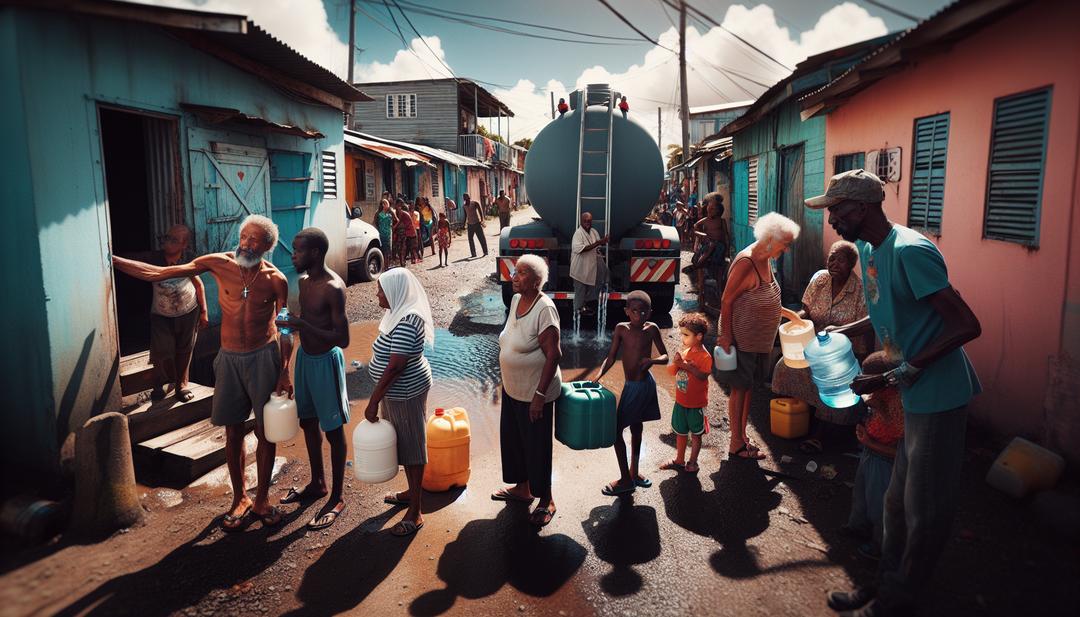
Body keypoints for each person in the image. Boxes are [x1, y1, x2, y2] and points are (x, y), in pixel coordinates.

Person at [808, 169, 982, 617]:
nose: (831, 220)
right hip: (911, 394)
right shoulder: (868, 249)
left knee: (925, 512)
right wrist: (843, 329)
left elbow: (966, 325)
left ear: (860, 209)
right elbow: (888, 309)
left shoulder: (911, 251)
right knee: (896, 505)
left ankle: (898, 601)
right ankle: (884, 584)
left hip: (939, 397)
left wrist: (888, 377)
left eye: (835, 210)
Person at [113, 215, 291, 530]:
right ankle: (240, 498)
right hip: (229, 358)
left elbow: (285, 327)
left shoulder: (276, 280)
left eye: (255, 241)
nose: (247, 244)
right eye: (244, 237)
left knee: (267, 432)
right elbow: (161, 272)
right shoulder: (218, 263)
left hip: (264, 358)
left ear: (267, 247)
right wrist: (110, 259)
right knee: (233, 431)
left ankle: (262, 498)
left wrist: (285, 371)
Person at [275, 228, 350, 530]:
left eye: (298, 250)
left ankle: (338, 496)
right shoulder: (304, 283)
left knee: (333, 430)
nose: (292, 255)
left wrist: (301, 322)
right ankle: (317, 483)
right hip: (305, 359)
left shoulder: (334, 287)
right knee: (307, 422)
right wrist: (290, 330)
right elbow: (301, 323)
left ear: (315, 253)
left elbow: (342, 339)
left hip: (326, 362)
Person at [715, 212, 802, 461]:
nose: (785, 250)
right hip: (742, 339)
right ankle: (735, 443)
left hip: (758, 341)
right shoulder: (747, 261)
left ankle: (741, 435)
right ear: (771, 240)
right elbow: (726, 300)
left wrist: (789, 315)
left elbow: (765, 297)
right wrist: (725, 336)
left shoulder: (766, 258)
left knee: (748, 388)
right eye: (785, 244)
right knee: (739, 389)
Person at [769, 240, 870, 454]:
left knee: (832, 383)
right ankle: (794, 417)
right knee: (784, 367)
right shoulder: (820, 279)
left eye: (840, 260)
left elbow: (865, 328)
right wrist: (793, 322)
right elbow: (806, 313)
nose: (833, 263)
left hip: (840, 356)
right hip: (812, 346)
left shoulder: (860, 291)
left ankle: (819, 434)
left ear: (852, 264)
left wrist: (859, 357)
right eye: (831, 257)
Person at [364, 268, 435, 537]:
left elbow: (395, 367)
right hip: (397, 391)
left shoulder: (407, 320)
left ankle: (416, 512)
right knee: (404, 442)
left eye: (381, 289)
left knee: (413, 446)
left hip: (405, 391)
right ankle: (411, 492)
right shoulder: (396, 313)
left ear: (395, 291)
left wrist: (373, 402)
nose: (377, 294)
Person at [493, 254, 562, 527]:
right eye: (514, 271)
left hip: (536, 393)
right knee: (514, 442)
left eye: (521, 273)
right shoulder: (515, 300)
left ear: (535, 282)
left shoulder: (544, 309)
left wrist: (539, 396)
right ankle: (523, 489)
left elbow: (554, 355)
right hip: (513, 388)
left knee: (537, 447)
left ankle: (546, 500)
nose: (514, 276)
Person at [114, 224, 208, 402]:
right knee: (161, 350)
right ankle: (159, 383)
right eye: (167, 237)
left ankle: (182, 385)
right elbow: (134, 263)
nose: (167, 242)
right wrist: (113, 259)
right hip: (161, 313)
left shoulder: (189, 259)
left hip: (189, 310)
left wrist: (204, 311)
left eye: (174, 240)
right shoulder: (154, 258)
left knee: (185, 349)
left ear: (184, 244)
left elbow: (198, 284)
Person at [592, 290, 668, 495]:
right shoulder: (621, 329)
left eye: (644, 312)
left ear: (650, 313)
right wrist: (598, 375)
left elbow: (665, 356)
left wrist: (652, 360)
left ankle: (628, 478)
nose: (639, 316)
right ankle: (632, 473)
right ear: (627, 311)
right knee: (632, 426)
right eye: (634, 311)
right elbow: (610, 357)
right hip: (631, 385)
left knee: (618, 430)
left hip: (643, 385)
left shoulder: (651, 329)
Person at [845, 352, 904, 561]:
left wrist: (870, 442)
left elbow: (902, 452)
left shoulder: (900, 404)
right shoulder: (881, 394)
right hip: (869, 452)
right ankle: (857, 527)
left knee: (881, 504)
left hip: (884, 460)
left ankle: (880, 545)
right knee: (861, 494)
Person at [660, 313, 712, 474]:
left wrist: (685, 365)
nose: (682, 338)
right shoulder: (685, 351)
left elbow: (703, 375)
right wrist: (676, 363)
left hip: (696, 404)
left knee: (696, 434)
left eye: (686, 335)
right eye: (682, 334)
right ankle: (679, 459)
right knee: (680, 432)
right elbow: (671, 371)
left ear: (699, 336)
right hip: (681, 401)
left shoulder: (705, 356)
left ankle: (693, 462)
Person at [687, 193, 731, 297]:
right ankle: (701, 288)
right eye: (708, 208)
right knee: (708, 250)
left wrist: (727, 250)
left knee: (720, 268)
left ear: (719, 211)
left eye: (712, 209)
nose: (709, 210)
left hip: (719, 248)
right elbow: (695, 227)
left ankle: (720, 289)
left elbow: (726, 236)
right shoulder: (705, 221)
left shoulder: (721, 221)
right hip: (708, 246)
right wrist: (701, 234)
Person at [570, 212, 608, 316]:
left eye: (589, 221)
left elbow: (597, 247)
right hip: (580, 268)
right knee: (580, 290)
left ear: (592, 222)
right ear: (581, 221)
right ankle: (578, 310)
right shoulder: (578, 234)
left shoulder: (594, 232)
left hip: (590, 266)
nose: (587, 223)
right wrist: (599, 242)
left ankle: (587, 306)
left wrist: (601, 245)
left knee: (596, 283)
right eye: (585, 221)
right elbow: (582, 249)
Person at [463, 192, 488, 257]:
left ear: (469, 197)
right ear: (464, 199)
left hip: (477, 223)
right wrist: (464, 223)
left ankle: (485, 252)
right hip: (470, 225)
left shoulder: (474, 203)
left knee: (481, 238)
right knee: (470, 239)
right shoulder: (464, 206)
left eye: (468, 197)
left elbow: (480, 211)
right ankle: (473, 253)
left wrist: (482, 219)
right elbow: (465, 215)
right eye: (465, 198)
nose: (467, 199)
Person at [376, 200, 395, 267]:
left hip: (388, 234)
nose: (388, 205)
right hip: (383, 234)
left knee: (388, 250)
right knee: (385, 250)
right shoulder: (380, 214)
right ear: (383, 205)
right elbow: (376, 223)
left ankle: (387, 265)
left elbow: (395, 220)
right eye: (386, 203)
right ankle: (385, 265)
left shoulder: (389, 214)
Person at [393, 199, 410, 267]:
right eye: (399, 204)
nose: (400, 206)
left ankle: (402, 260)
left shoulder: (403, 210)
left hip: (403, 231)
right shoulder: (394, 211)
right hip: (397, 231)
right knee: (398, 247)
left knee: (403, 247)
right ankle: (400, 260)